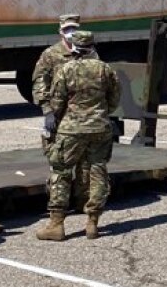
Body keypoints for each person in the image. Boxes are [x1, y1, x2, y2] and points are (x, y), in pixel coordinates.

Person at [37, 31, 120, 241]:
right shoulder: (105, 69)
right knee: (97, 170)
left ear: (74, 47)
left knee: (61, 171)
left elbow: (57, 103)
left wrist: (61, 118)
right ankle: (92, 222)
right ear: (92, 46)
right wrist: (100, 113)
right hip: (100, 127)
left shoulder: (66, 69)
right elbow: (114, 99)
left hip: (71, 129)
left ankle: (56, 224)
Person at [32, 14, 89, 210]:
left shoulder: (88, 52)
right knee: (59, 162)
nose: (71, 33)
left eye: (74, 28)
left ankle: (82, 201)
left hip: (83, 116)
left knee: (85, 163)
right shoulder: (51, 55)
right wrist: (47, 111)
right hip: (59, 115)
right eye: (67, 29)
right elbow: (40, 82)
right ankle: (58, 205)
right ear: (60, 31)